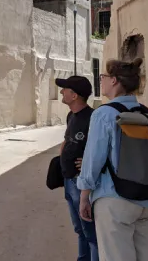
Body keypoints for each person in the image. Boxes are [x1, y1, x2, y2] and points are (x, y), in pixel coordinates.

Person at [77, 58, 148, 261]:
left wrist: (84, 196)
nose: (101, 80)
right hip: (147, 199)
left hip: (115, 199)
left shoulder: (104, 114)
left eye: (103, 76)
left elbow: (92, 161)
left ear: (114, 80)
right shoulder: (144, 112)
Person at [55, 75, 99, 261]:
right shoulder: (71, 115)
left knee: (91, 234)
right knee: (80, 230)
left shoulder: (92, 118)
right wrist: (61, 159)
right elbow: (67, 139)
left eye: (64, 89)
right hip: (69, 179)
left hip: (82, 183)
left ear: (74, 96)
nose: (61, 92)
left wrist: (89, 163)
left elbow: (101, 148)